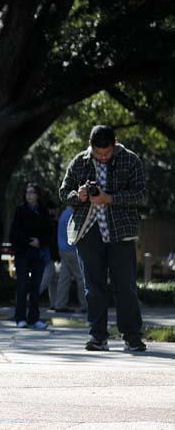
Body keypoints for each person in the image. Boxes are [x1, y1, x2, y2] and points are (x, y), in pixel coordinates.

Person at [60, 125, 146, 352]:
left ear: (114, 144)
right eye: (99, 153)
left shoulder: (130, 160)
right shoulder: (80, 162)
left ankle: (132, 336)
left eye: (107, 153)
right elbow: (63, 192)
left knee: (125, 286)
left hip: (121, 231)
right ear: (91, 146)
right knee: (93, 287)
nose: (103, 157)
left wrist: (110, 198)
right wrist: (78, 195)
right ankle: (98, 336)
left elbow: (142, 194)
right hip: (88, 231)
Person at [9, 183, 50, 329]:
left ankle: (34, 318)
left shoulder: (44, 212)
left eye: (32, 192)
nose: (29, 195)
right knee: (22, 285)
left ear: (37, 195)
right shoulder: (20, 211)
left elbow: (49, 232)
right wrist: (28, 241)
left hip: (39, 253)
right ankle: (20, 317)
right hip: (23, 253)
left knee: (35, 286)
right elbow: (14, 233)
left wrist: (40, 241)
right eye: (27, 192)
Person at [54, 206, 87, 313]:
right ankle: (85, 304)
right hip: (72, 250)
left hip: (63, 250)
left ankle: (60, 304)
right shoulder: (73, 215)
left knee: (64, 278)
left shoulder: (64, 214)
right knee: (81, 278)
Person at [39, 201, 59, 311]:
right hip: (49, 254)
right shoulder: (52, 223)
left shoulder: (46, 221)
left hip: (48, 253)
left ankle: (54, 303)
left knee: (53, 280)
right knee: (46, 279)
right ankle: (30, 296)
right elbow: (53, 241)